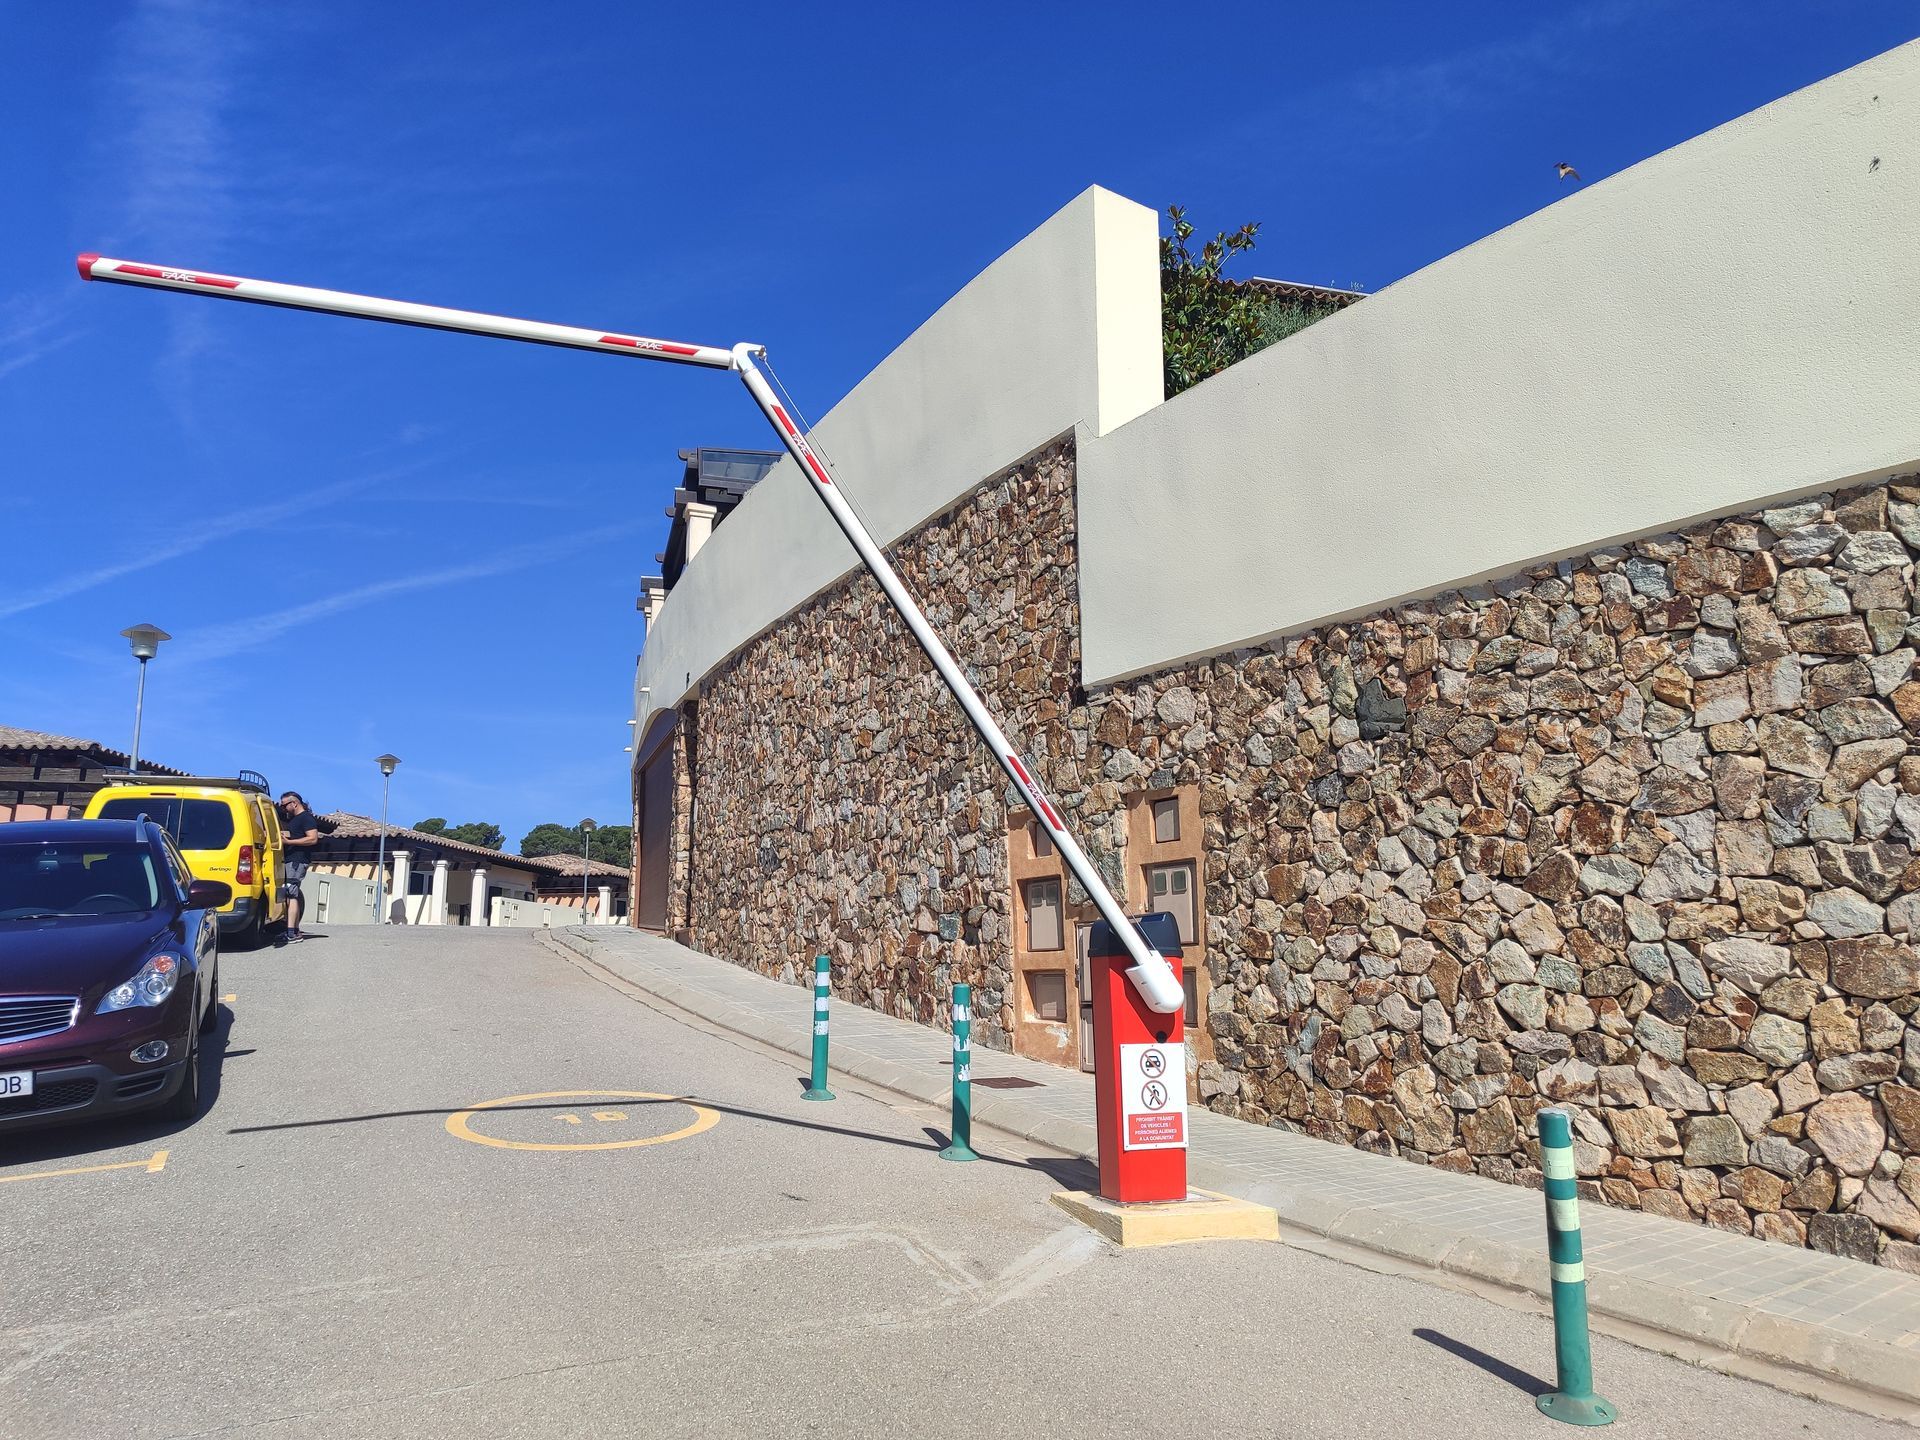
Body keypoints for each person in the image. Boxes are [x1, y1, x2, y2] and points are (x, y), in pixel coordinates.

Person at [278, 791, 321, 942]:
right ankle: (294, 931)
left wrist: (289, 842)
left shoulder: (306, 818)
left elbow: (313, 838)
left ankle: (291, 933)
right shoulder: (296, 820)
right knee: (291, 893)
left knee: (292, 894)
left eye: (284, 805)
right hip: (292, 860)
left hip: (297, 861)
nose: (283, 808)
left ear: (294, 803)